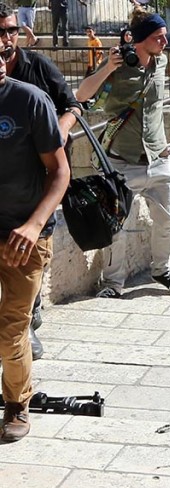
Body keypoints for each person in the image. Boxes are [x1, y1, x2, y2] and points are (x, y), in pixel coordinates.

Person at [76, 11, 170, 299]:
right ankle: (113, 283)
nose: (165, 40)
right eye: (157, 37)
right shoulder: (119, 64)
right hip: (121, 162)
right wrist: (106, 69)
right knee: (117, 227)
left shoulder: (161, 62)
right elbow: (82, 95)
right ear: (139, 41)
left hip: (158, 158)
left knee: (166, 221)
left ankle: (162, 270)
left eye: (165, 35)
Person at [1, 2, 81, 359]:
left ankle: (27, 327)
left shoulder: (37, 69)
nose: (7, 39)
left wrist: (56, 131)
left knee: (20, 302)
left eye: (12, 30)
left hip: (39, 181)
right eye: (1, 32)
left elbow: (74, 104)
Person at [0, 36, 70, 442]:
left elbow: (60, 172)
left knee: (11, 329)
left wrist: (32, 225)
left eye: (3, 53)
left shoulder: (30, 101)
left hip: (24, 236)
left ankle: (17, 402)